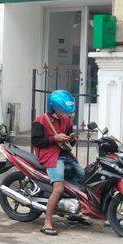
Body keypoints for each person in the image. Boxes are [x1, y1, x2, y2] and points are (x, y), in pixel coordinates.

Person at [31, 89, 86, 236]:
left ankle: (72, 211)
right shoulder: (40, 120)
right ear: (53, 107)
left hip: (65, 155)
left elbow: (68, 143)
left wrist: (71, 138)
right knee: (58, 188)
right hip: (50, 156)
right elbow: (36, 142)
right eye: (60, 110)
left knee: (83, 178)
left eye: (65, 111)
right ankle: (47, 222)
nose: (63, 113)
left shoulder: (67, 120)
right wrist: (54, 139)